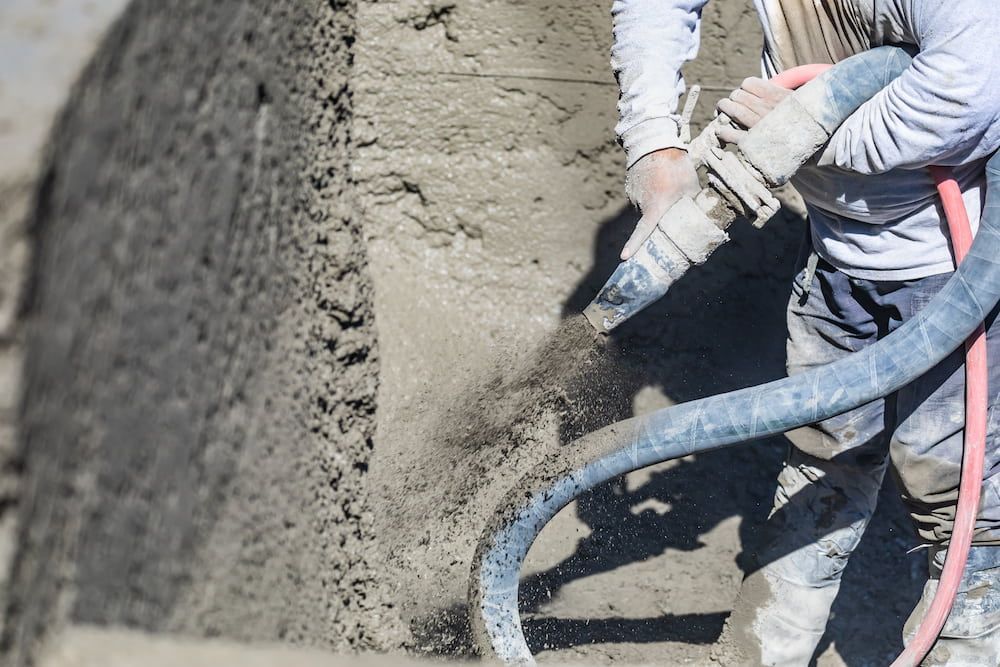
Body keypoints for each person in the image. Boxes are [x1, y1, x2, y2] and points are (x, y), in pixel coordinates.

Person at [610, 1, 1000, 665]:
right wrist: (654, 140)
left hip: (956, 274)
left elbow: (968, 90)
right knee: (820, 449)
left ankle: (969, 633)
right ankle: (766, 642)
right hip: (837, 251)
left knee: (958, 489)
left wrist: (812, 129)